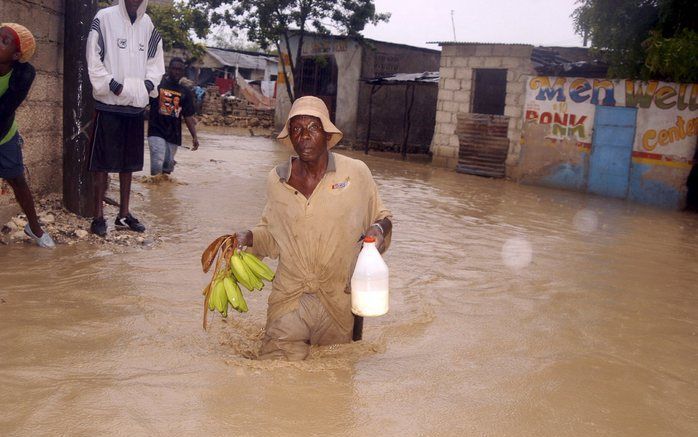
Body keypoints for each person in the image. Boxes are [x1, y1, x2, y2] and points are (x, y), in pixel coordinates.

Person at [235, 96, 393, 361]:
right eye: (297, 129)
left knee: (336, 382)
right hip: (290, 298)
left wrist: (378, 229)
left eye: (313, 128)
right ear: (291, 137)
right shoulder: (277, 179)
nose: (304, 136)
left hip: (339, 302)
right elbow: (272, 236)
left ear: (326, 134)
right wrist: (247, 237)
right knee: (276, 376)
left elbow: (383, 217)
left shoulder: (355, 173)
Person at [85, 0, 164, 236]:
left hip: (135, 107)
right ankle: (98, 217)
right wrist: (113, 85)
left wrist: (147, 85)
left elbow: (156, 61)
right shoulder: (105, 17)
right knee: (101, 164)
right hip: (109, 103)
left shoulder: (147, 24)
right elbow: (93, 55)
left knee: (128, 165)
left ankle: (123, 214)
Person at [0, 23, 55, 248]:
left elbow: (5, 109)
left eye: (4, 41)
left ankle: (34, 227)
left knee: (18, 180)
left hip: (4, 133)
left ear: (16, 55)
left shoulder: (24, 73)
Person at [147, 57, 199, 176]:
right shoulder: (157, 86)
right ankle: (155, 191)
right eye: (174, 69)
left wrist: (194, 137)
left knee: (167, 168)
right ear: (169, 69)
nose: (176, 72)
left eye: (179, 70)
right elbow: (143, 102)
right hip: (155, 131)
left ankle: (164, 191)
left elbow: (188, 116)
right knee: (157, 164)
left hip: (173, 134)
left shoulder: (185, 92)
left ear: (183, 72)